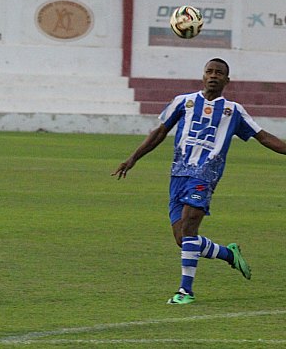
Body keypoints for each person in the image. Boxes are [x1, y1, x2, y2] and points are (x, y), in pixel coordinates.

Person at [113, 58, 286, 305]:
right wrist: (133, 158)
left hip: (205, 175)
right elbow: (160, 132)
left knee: (190, 227)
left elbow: (264, 137)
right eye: (209, 71)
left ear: (227, 80)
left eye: (219, 73)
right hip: (178, 175)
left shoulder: (233, 111)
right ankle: (229, 254)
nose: (213, 75)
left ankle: (185, 291)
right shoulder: (183, 102)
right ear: (203, 76)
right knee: (183, 240)